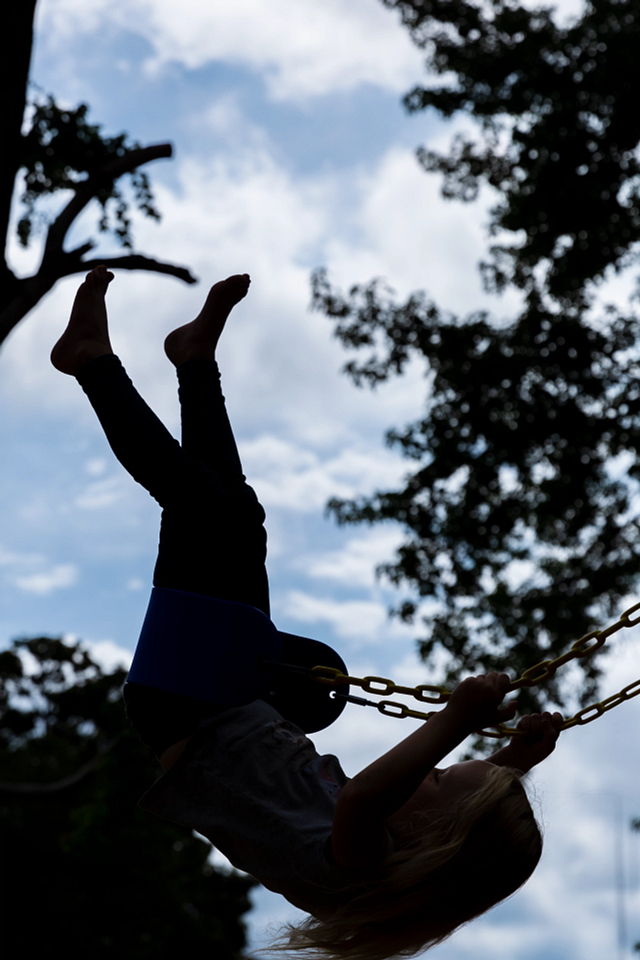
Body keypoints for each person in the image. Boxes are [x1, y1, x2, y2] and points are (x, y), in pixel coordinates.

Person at [51, 266, 563, 960]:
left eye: (441, 776)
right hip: (234, 693)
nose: (432, 770)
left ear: (436, 841)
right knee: (238, 515)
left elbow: (373, 799)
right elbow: (441, 806)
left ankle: (90, 363)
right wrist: (515, 761)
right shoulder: (399, 845)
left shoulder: (355, 863)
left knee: (204, 508)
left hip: (187, 707)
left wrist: (457, 721)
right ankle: (193, 360)